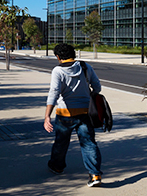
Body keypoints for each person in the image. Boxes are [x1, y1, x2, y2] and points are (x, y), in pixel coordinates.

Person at [44, 43, 103, 187]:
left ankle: (57, 166)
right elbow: (97, 87)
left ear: (58, 57)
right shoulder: (85, 67)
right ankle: (95, 174)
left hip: (65, 113)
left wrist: (47, 116)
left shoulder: (57, 71)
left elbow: (54, 92)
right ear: (74, 54)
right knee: (88, 143)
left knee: (61, 142)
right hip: (85, 112)